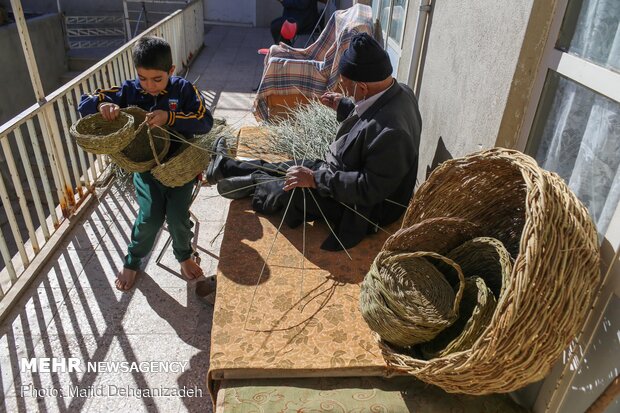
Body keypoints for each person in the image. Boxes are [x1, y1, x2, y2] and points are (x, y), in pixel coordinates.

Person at [207, 33, 421, 251]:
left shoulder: (392, 134)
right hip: (346, 174)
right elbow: (372, 114)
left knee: (293, 189)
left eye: (345, 83)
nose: (340, 85)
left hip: (365, 208)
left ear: (362, 87)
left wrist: (315, 179)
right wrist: (345, 105)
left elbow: (368, 188)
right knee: (292, 167)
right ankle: (225, 167)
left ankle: (257, 184)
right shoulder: (401, 91)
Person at [78, 36, 213, 290]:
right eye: (142, 78)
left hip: (180, 168)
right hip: (146, 168)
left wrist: (170, 117)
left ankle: (183, 256)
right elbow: (85, 103)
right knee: (150, 216)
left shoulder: (183, 90)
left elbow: (205, 121)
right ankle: (132, 262)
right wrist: (103, 105)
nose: (149, 86)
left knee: (176, 216)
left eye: (157, 79)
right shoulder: (129, 91)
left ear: (171, 72)